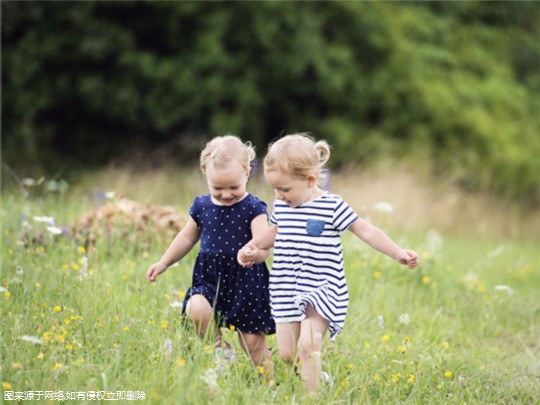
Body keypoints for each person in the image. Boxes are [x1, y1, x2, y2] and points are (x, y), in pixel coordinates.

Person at [238, 133, 418, 392]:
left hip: (322, 288)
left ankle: (313, 395)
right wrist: (254, 247)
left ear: (310, 180)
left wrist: (397, 252)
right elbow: (276, 232)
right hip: (286, 286)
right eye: (275, 189)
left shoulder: (332, 206)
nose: (279, 195)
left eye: (285, 189)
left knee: (308, 346)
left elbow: (365, 230)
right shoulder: (283, 205)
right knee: (288, 354)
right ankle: (316, 375)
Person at [147, 135, 275, 374]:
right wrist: (164, 262)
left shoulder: (254, 208)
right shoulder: (202, 207)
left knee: (252, 343)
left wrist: (254, 254)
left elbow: (264, 244)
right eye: (218, 188)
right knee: (195, 308)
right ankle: (220, 351)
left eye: (234, 187)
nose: (226, 194)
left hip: (245, 281)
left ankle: (269, 384)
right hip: (209, 279)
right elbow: (186, 237)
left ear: (247, 172)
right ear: (205, 175)